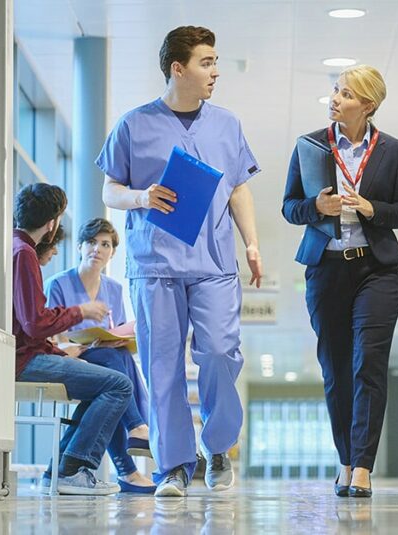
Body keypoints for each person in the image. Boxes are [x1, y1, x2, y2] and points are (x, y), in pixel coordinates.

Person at [96, 25, 263, 498]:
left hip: (213, 261)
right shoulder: (133, 124)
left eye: (215, 62)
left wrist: (251, 242)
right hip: (154, 263)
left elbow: (237, 187)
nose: (215, 71)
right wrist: (140, 196)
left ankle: (217, 447)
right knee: (161, 365)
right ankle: (173, 466)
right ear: (178, 68)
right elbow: (109, 189)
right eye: (206, 62)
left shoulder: (226, 124)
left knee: (218, 353)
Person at [282, 65, 398, 498]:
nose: (335, 99)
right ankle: (345, 459)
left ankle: (362, 466)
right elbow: (289, 206)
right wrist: (315, 206)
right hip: (326, 269)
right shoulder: (309, 145)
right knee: (337, 369)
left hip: (376, 269)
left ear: (368, 105)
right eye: (335, 91)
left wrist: (371, 207)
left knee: (369, 365)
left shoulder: (392, 150)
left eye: (345, 94)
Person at [12, 183, 133, 496]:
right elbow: (35, 323)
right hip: (25, 361)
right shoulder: (24, 254)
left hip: (29, 354)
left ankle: (59, 470)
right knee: (119, 384)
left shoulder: (17, 248)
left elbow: (30, 326)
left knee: (108, 380)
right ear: (52, 224)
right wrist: (80, 312)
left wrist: (59, 352)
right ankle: (75, 469)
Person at [43, 218, 157, 494]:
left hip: (104, 359)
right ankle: (134, 441)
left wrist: (120, 339)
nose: (98, 249)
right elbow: (48, 333)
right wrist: (70, 348)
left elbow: (116, 330)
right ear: (80, 246)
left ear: (112, 252)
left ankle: (58, 471)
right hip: (70, 358)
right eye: (92, 242)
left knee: (115, 366)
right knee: (115, 373)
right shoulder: (57, 284)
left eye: (105, 244)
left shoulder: (114, 289)